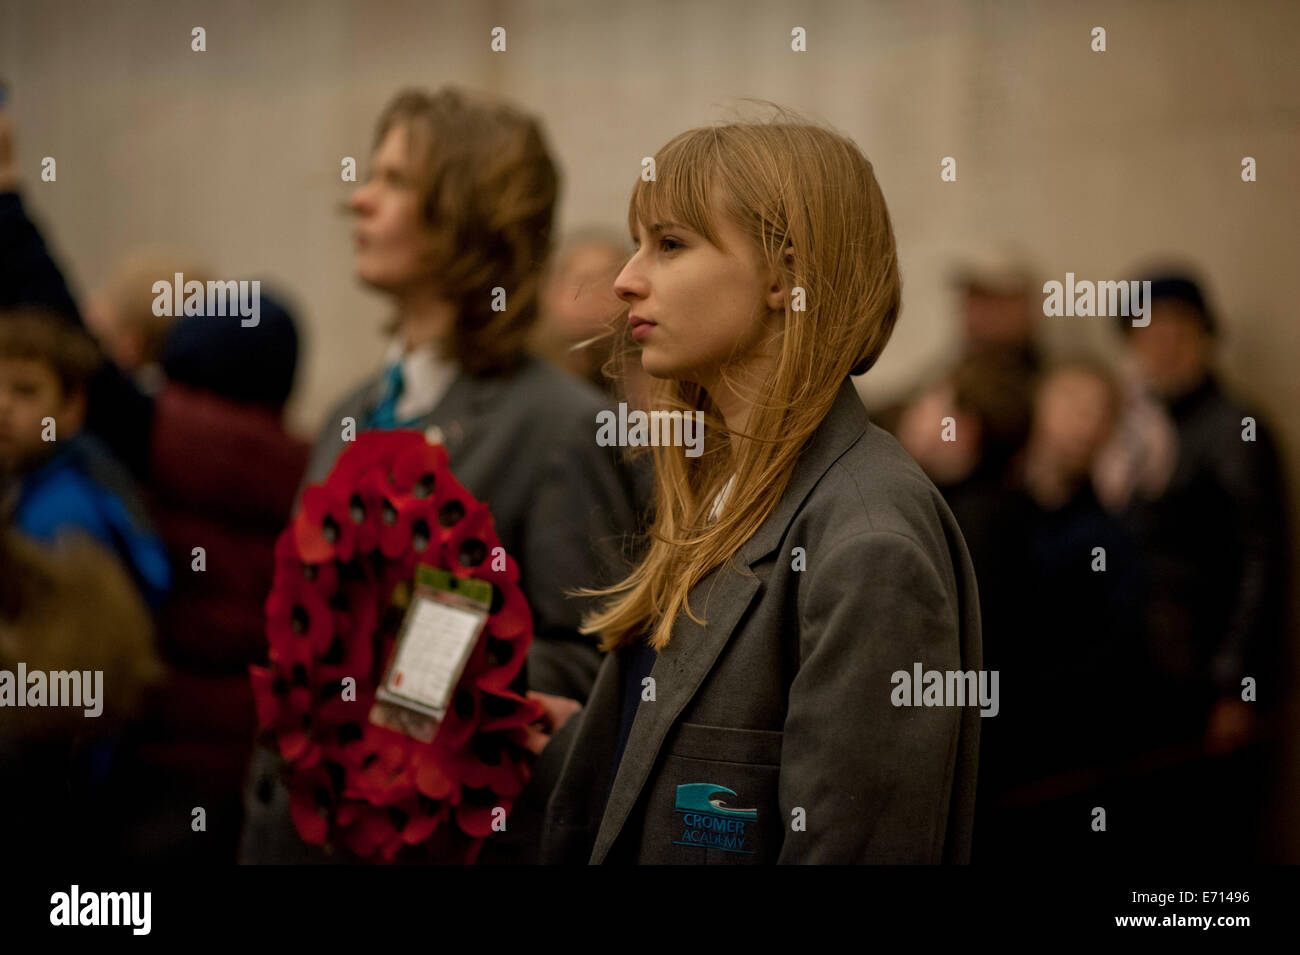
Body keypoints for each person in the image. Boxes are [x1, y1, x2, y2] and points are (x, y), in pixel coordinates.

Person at [525, 113, 982, 863]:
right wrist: (582, 740)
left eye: (670, 244)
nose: (625, 279)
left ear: (784, 276)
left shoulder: (869, 541)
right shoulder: (722, 487)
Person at [238, 86, 645, 863]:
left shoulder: (559, 426)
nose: (357, 200)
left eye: (394, 182)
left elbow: (592, 662)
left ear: (468, 213)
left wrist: (424, 664)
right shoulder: (348, 412)